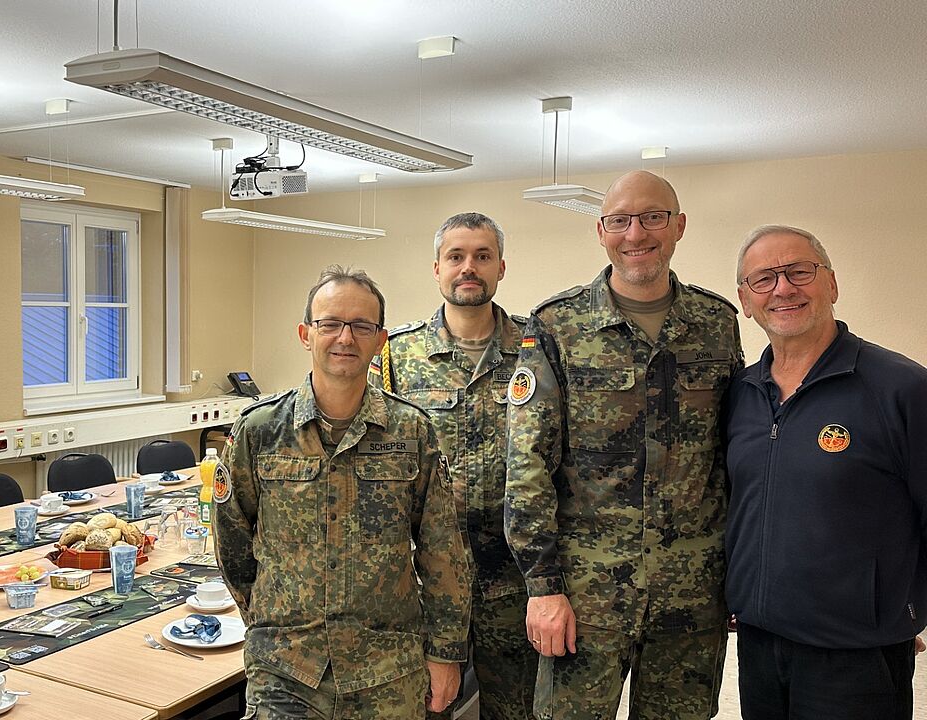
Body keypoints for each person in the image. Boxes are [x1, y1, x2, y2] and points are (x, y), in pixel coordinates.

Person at [505, 170, 743, 719]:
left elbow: (734, 453)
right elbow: (528, 465)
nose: (636, 234)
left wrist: (740, 574)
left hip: (692, 589)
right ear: (601, 231)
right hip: (586, 592)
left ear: (678, 225)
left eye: (653, 217)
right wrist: (542, 586)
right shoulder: (557, 325)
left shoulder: (716, 323)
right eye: (620, 220)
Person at [215, 265, 472, 719]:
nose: (345, 338)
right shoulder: (260, 431)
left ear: (380, 340)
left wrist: (445, 652)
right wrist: (268, 619)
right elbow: (232, 540)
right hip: (285, 669)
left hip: (387, 670)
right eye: (330, 323)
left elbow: (442, 550)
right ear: (306, 334)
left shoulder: (412, 431)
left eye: (361, 326)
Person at [724, 225, 927, 719]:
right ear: (745, 300)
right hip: (758, 643)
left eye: (799, 271)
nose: (783, 288)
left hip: (856, 656)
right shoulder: (740, 394)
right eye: (763, 279)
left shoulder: (901, 388)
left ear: (831, 284)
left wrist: (909, 608)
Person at [370, 211, 537, 719]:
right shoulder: (397, 355)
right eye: (456, 256)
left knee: (517, 710)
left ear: (501, 267)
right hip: (426, 579)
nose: (469, 267)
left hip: (513, 577)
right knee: (423, 706)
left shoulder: (536, 349)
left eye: (482, 256)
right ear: (437, 269)